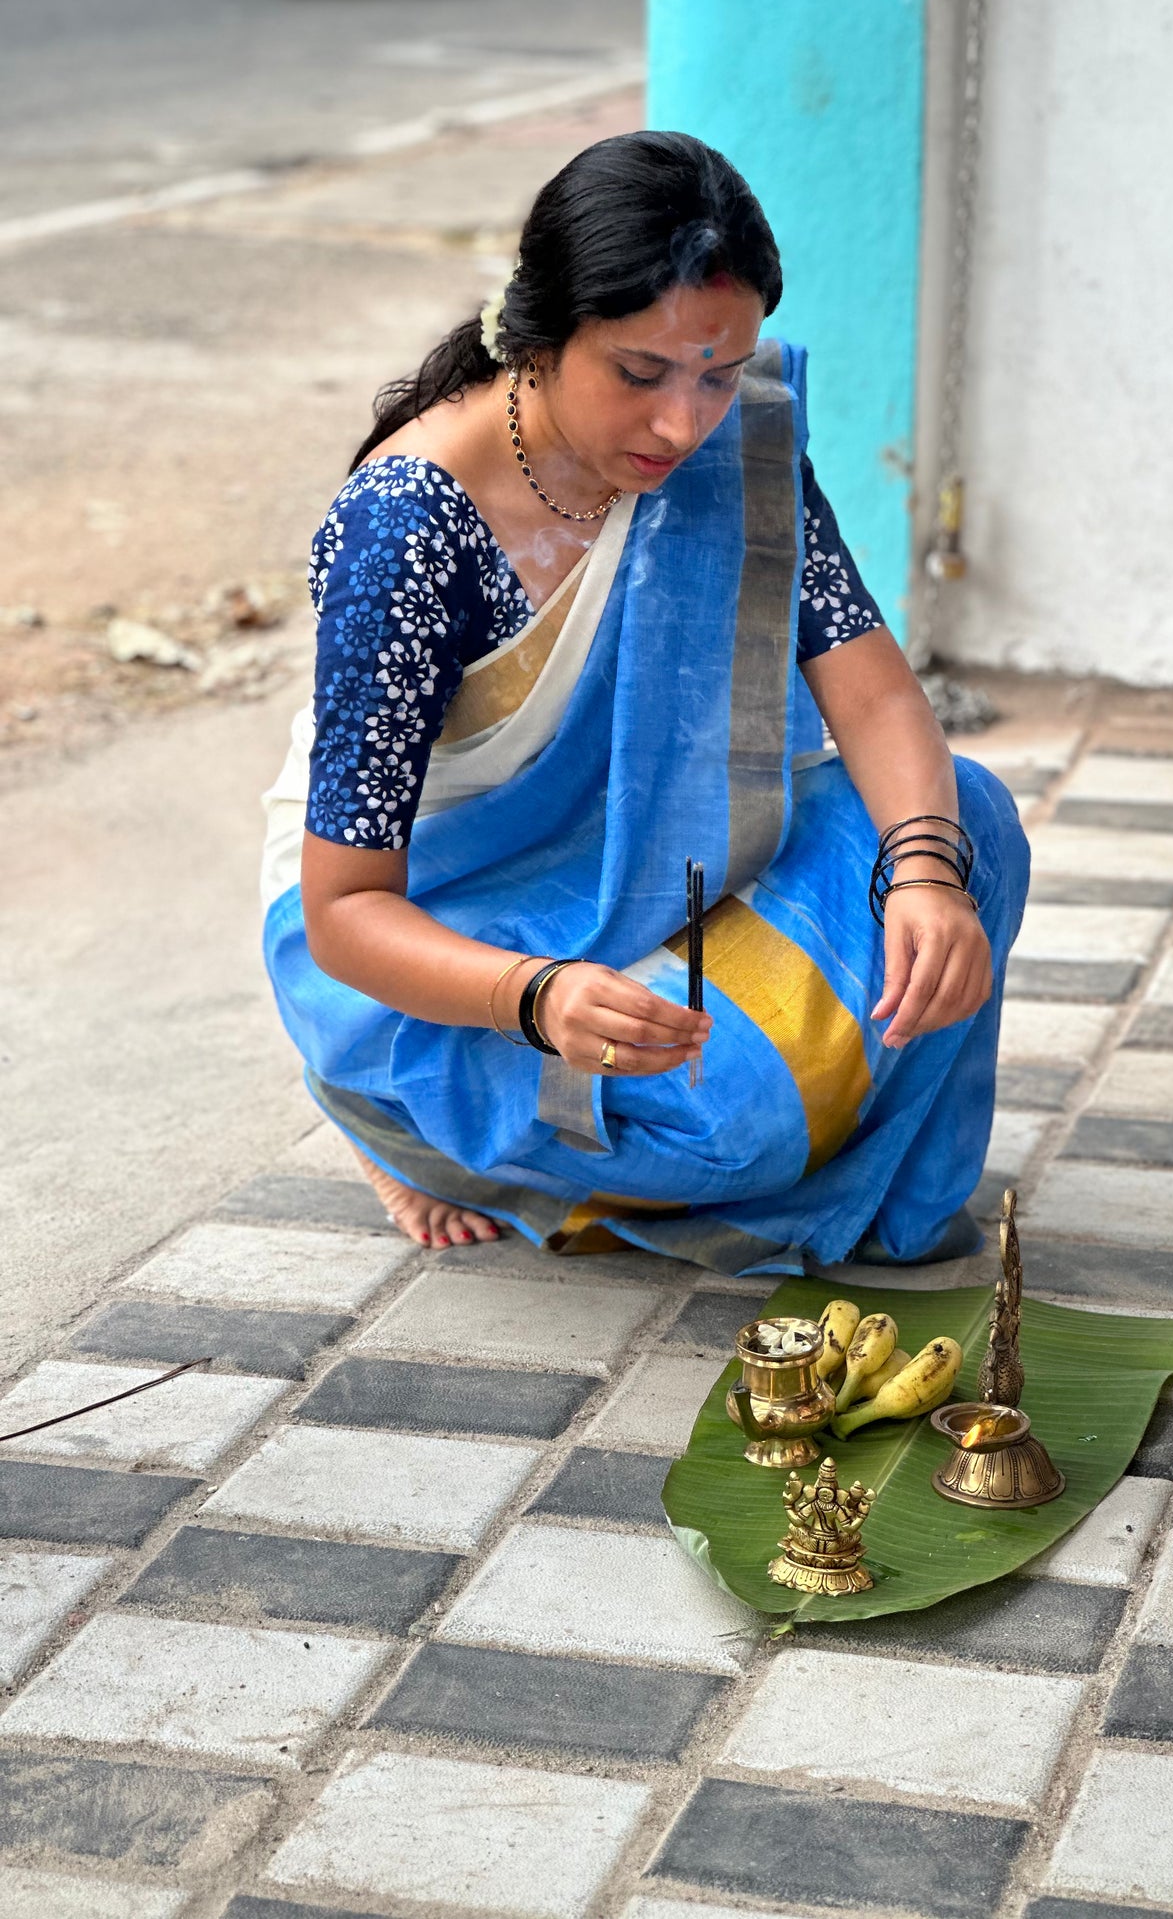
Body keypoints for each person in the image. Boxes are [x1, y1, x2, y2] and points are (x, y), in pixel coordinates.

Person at [260, 130, 1028, 1280]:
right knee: (726, 1122)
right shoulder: (410, 532)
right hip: (458, 937)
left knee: (966, 828)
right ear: (536, 334)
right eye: (639, 374)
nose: (685, 423)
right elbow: (345, 910)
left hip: (657, 875)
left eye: (718, 374)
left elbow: (873, 698)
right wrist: (538, 998)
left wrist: (921, 875)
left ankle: (838, 1177)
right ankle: (405, 1121)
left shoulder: (734, 446)